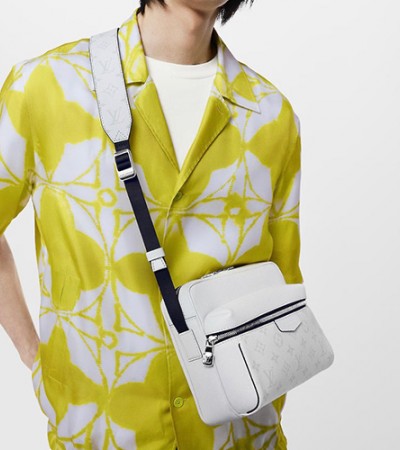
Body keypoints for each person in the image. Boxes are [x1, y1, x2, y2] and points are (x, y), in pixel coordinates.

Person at [0, 0, 303, 449]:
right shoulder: (47, 85)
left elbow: (282, 284)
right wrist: (33, 355)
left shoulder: (270, 114)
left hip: (241, 434)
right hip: (102, 432)